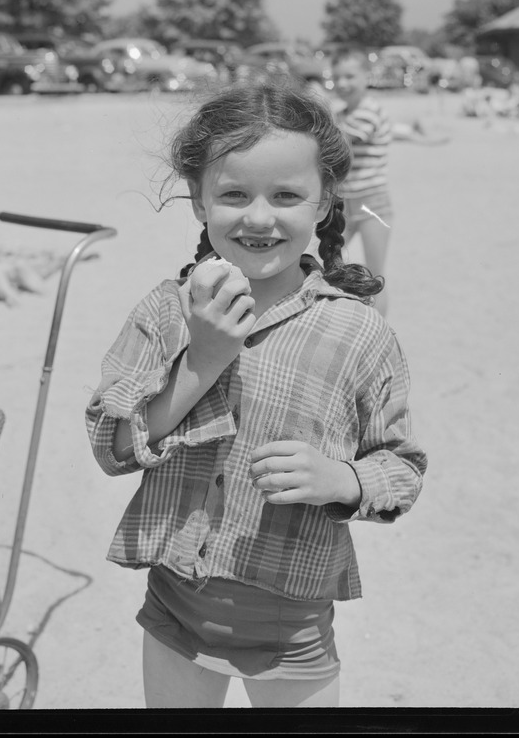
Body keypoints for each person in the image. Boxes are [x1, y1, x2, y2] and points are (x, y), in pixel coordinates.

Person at [85, 80, 428, 709]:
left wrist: (342, 480)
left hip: (291, 623)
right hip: (173, 609)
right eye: (234, 194)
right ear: (198, 202)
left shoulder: (358, 331)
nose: (260, 217)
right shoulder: (167, 312)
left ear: (325, 205)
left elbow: (401, 468)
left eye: (287, 195)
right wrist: (204, 361)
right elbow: (112, 447)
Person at [329, 47, 394, 317]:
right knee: (329, 262)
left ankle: (379, 331)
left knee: (374, 275)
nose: (342, 83)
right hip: (344, 202)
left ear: (366, 76)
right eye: (337, 77)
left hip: (373, 204)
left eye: (350, 76)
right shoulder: (342, 114)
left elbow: (345, 141)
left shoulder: (370, 110)